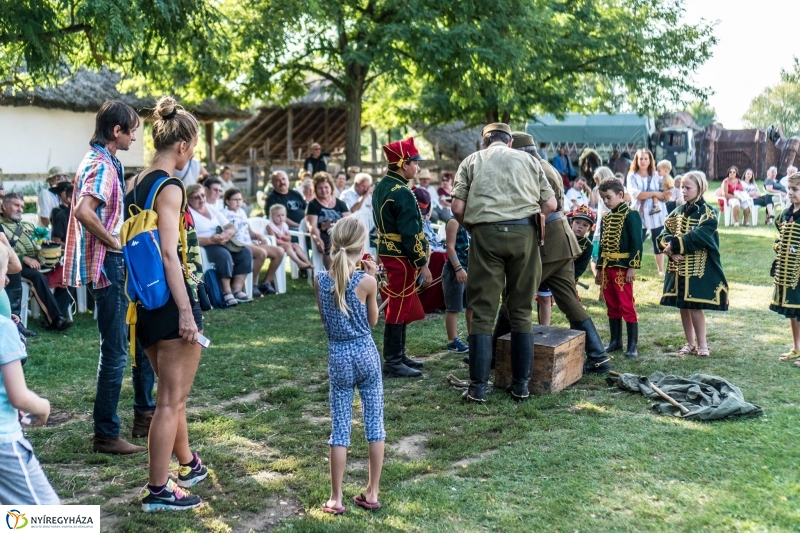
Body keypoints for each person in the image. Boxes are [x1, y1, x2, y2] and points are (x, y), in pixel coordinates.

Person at [125, 97, 206, 512]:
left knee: (171, 396)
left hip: (144, 300)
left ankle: (188, 465)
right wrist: (188, 312)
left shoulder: (136, 182)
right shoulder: (170, 186)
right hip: (171, 299)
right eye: (194, 147)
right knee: (170, 401)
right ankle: (158, 489)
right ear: (183, 145)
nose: (192, 155)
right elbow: (170, 253)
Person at [63, 101, 155, 453]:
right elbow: (84, 211)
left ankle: (133, 419)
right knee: (115, 351)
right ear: (116, 131)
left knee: (127, 345)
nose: (134, 136)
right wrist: (113, 240)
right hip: (110, 265)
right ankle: (106, 433)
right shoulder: (100, 164)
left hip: (114, 265)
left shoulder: (105, 160)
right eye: (131, 130)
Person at [452, 124, 556, 403]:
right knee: (521, 310)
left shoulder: (471, 160)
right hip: (524, 234)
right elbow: (551, 204)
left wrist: (475, 229)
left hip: (485, 233)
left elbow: (457, 209)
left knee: (483, 312)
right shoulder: (529, 160)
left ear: (484, 142)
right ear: (509, 142)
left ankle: (477, 389)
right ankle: (521, 386)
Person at [491, 132, 610, 375]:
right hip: (560, 242)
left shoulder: (534, 168)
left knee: (515, 294)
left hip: (548, 243)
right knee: (567, 300)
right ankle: (599, 357)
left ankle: (492, 353)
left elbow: (540, 207)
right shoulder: (544, 165)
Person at [315, 217, 385, 514]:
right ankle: (372, 491)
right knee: (374, 422)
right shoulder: (367, 282)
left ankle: (336, 497)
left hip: (339, 356)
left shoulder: (319, 280)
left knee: (340, 426)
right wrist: (375, 282)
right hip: (366, 353)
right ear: (362, 246)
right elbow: (372, 321)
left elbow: (325, 321)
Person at [0, 244, 59, 505]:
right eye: (3, 274)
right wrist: (43, 407)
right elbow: (19, 397)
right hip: (5, 443)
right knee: (51, 516)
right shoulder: (4, 329)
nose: (6, 279)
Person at [372, 137, 431, 378]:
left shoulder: (382, 185)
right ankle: (393, 361)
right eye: (415, 162)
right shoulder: (403, 193)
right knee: (398, 304)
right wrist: (423, 264)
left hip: (388, 251)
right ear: (403, 163)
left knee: (401, 303)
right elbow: (411, 234)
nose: (417, 167)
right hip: (402, 257)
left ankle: (399, 355)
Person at [659, 171, 728, 358]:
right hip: (679, 268)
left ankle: (703, 344)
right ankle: (690, 343)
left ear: (700, 188)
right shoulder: (678, 212)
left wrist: (675, 245)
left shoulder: (708, 213)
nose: (684, 191)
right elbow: (665, 233)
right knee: (683, 305)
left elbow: (700, 236)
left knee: (696, 306)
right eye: (682, 187)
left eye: (688, 188)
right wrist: (669, 249)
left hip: (698, 270)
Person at [1, 193, 72, 332]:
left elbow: (37, 243)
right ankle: (56, 319)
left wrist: (45, 245)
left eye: (21, 206)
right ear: (3, 206)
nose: (20, 209)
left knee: (69, 273)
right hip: (14, 267)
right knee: (37, 277)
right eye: (16, 205)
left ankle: (52, 316)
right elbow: (1, 252)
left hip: (38, 262)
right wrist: (24, 258)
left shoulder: (27, 225)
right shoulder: (0, 227)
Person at [596, 178, 643, 359]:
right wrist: (599, 268)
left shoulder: (631, 215)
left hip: (623, 268)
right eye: (603, 199)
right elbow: (602, 245)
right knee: (611, 304)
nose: (606, 202)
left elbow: (636, 243)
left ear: (620, 195)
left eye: (609, 197)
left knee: (626, 304)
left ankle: (632, 344)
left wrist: (632, 266)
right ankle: (616, 341)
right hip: (608, 268)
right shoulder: (606, 218)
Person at [187, 184, 253, 306]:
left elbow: (230, 226)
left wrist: (228, 233)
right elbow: (188, 238)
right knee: (224, 255)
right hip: (205, 244)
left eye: (202, 195)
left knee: (245, 252)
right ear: (188, 199)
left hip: (222, 240)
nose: (201, 199)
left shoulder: (210, 208)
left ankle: (236, 289)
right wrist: (211, 240)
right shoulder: (187, 213)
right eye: (196, 197)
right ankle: (226, 292)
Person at [222, 188, 285, 296]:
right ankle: (252, 284)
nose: (238, 202)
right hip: (237, 244)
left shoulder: (242, 212)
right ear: (227, 201)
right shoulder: (223, 214)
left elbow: (248, 229)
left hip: (249, 243)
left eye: (240, 199)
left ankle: (265, 282)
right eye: (235, 199)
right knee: (261, 253)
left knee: (279, 251)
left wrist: (257, 236)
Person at [772, 171, 800, 366]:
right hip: (789, 272)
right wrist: (778, 245)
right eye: (789, 189)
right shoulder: (785, 214)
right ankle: (797, 347)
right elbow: (781, 237)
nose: (791, 192)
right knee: (793, 310)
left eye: (795, 189)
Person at [627, 149, 668, 276]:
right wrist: (655, 193)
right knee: (636, 241)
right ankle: (630, 267)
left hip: (657, 213)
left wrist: (663, 194)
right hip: (639, 213)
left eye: (646, 158)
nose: (643, 161)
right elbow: (637, 194)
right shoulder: (632, 176)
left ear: (650, 160)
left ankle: (661, 270)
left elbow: (664, 192)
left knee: (659, 241)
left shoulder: (656, 175)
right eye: (641, 158)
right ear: (636, 160)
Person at [306, 172, 350, 269]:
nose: (323, 190)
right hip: (323, 235)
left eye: (326, 187)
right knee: (330, 243)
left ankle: (349, 273)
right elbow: (312, 226)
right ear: (316, 190)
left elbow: (348, 221)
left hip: (340, 233)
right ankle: (332, 274)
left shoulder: (340, 204)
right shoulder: (313, 205)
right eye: (320, 188)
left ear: (331, 187)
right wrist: (318, 240)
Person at [442, 216, 471, 354]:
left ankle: (473, 336)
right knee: (453, 307)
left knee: (471, 305)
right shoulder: (454, 222)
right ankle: (452, 341)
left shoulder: (472, 220)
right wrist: (458, 268)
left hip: (470, 270)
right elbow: (450, 246)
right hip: (455, 271)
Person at [266, 204, 313, 270]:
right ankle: (299, 263)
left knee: (296, 245)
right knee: (288, 246)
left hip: (284, 244)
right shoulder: (270, 226)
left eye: (283, 215)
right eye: (278, 216)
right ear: (272, 216)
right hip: (273, 246)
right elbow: (274, 240)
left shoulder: (284, 225)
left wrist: (282, 236)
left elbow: (289, 238)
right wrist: (286, 243)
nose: (281, 217)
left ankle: (307, 262)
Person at [414, 188, 445, 253]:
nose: (425, 216)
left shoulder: (425, 221)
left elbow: (434, 237)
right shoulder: (413, 223)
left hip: (436, 245)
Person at [569, 205, 595, 282]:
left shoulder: (588, 245)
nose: (580, 227)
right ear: (571, 222)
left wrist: (572, 277)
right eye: (577, 222)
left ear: (589, 229)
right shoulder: (563, 236)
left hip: (570, 277)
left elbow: (581, 266)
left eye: (585, 225)